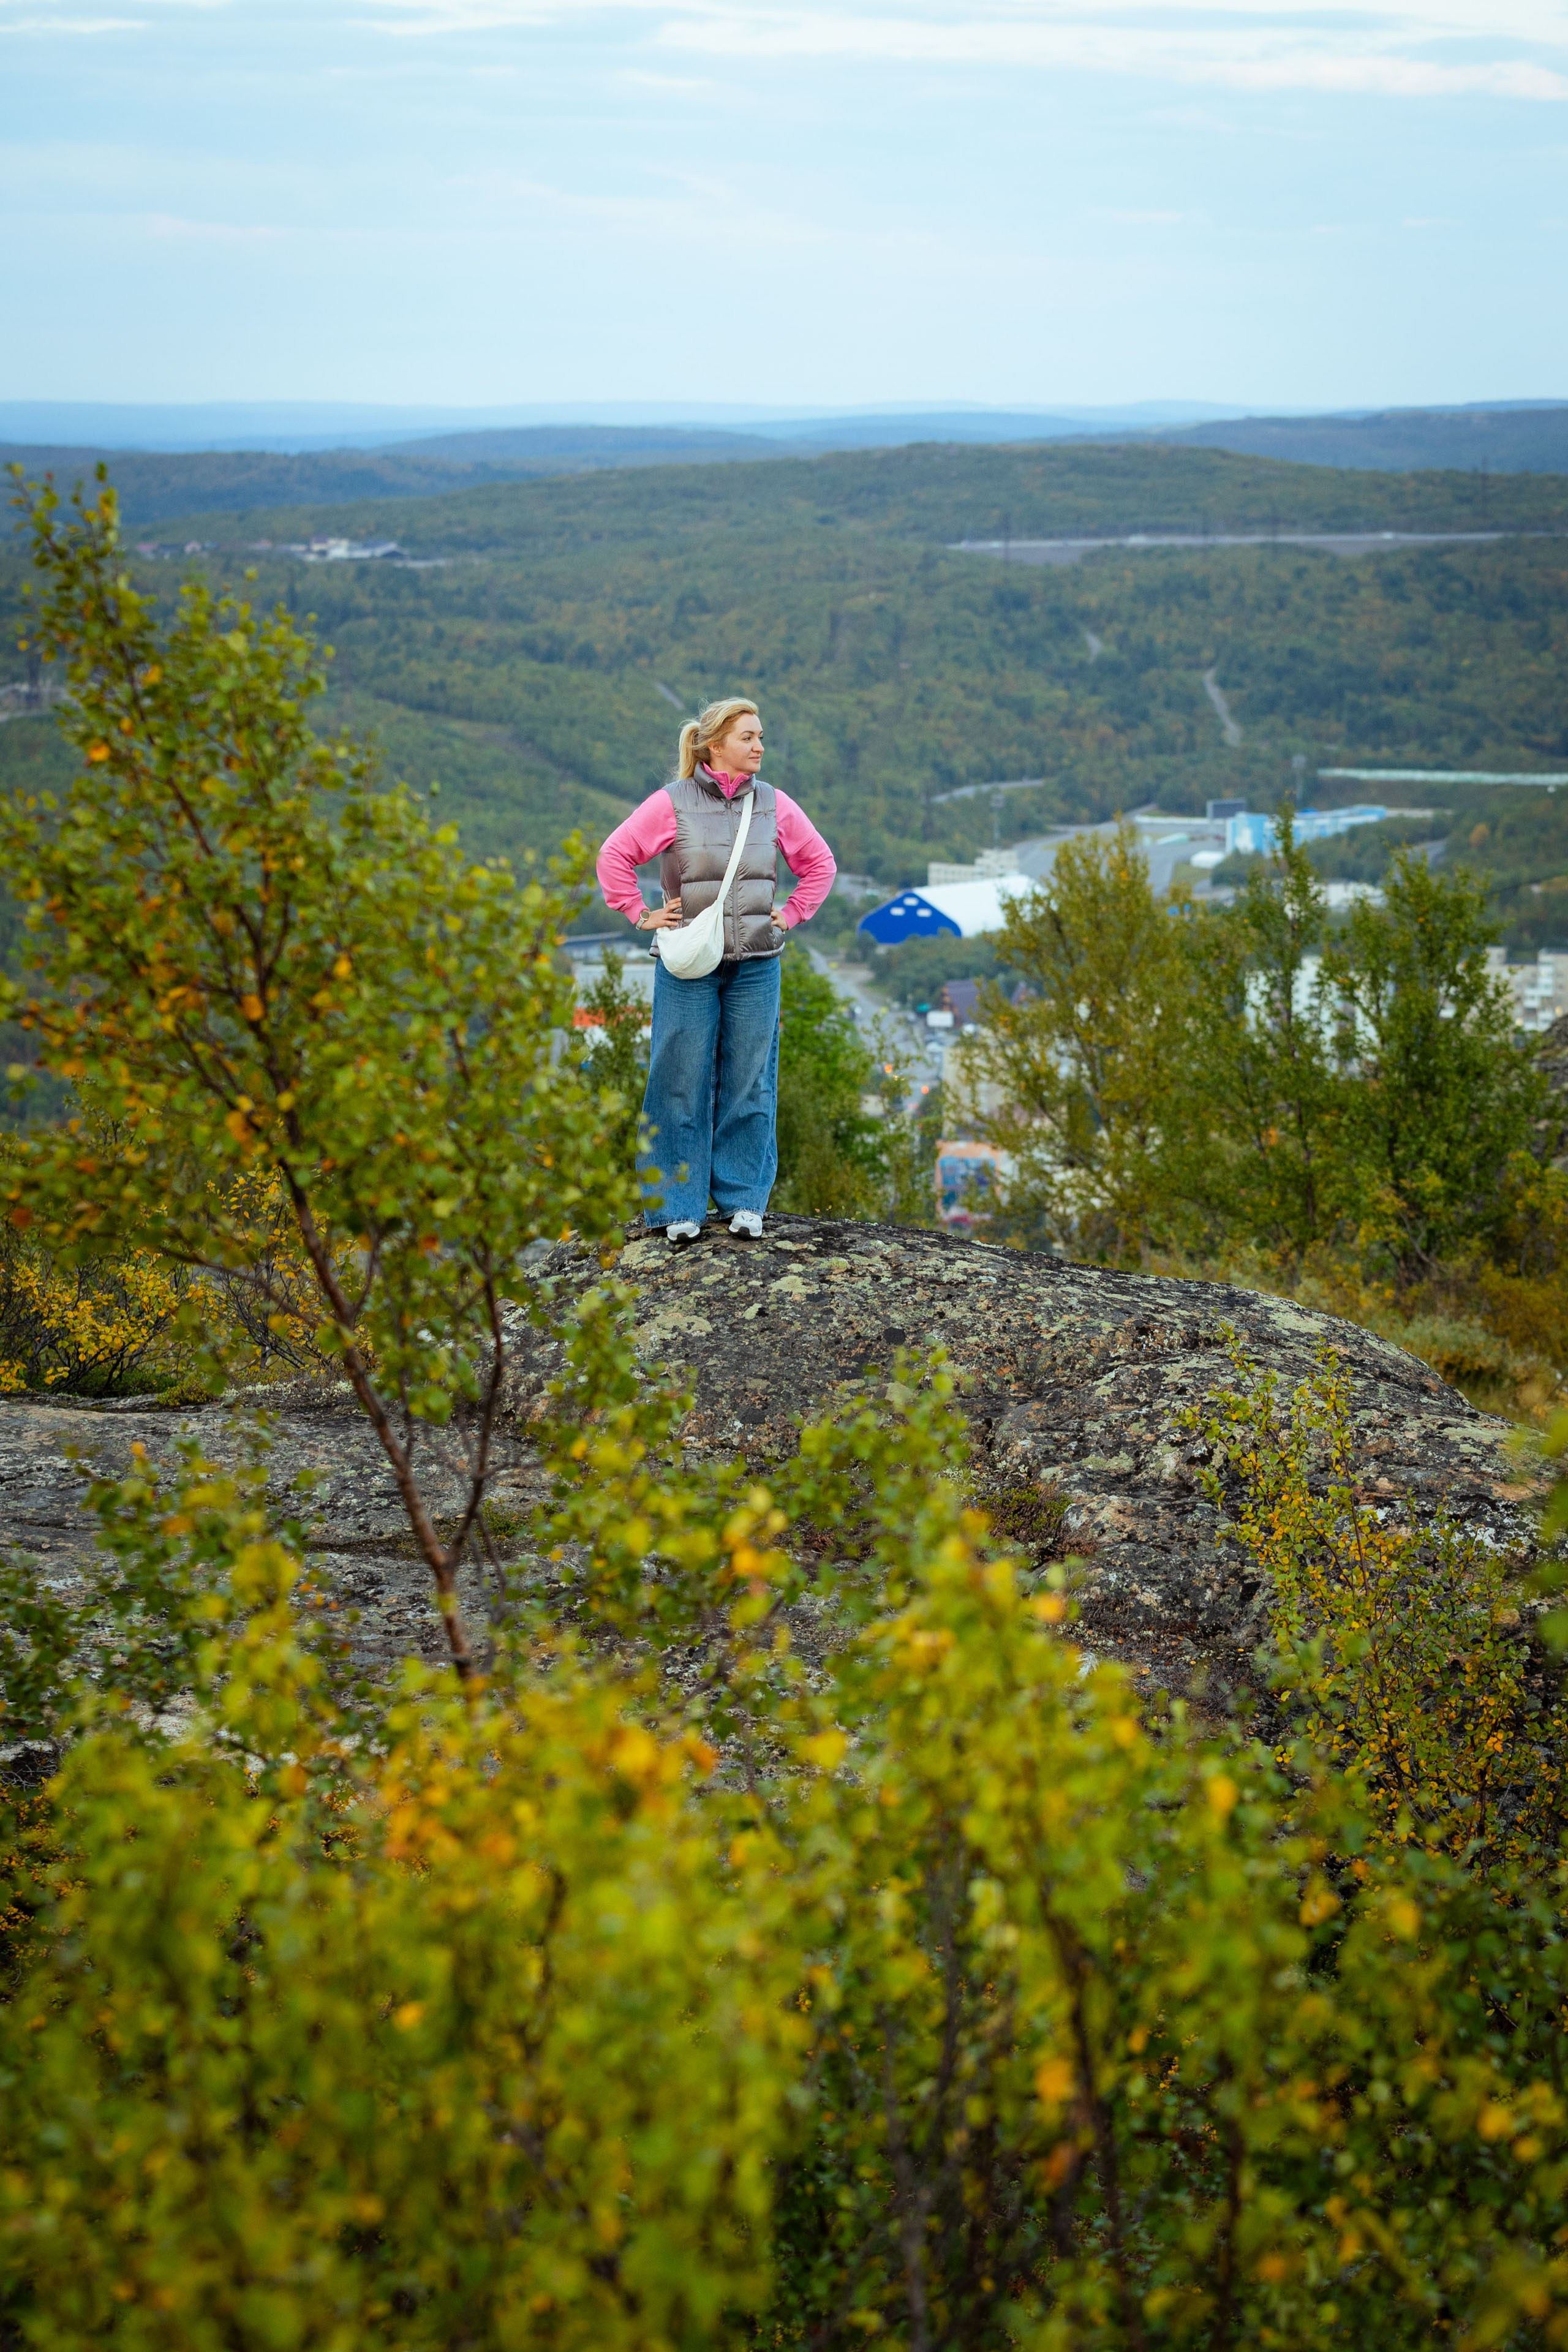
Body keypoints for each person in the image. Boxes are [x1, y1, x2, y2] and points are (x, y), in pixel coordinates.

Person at [595, 696, 837, 1245]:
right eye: (749, 737)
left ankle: (743, 1202)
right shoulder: (671, 803)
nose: (760, 747)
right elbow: (614, 855)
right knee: (678, 1082)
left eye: (760, 737)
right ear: (715, 745)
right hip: (688, 965)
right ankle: (676, 1207)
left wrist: (793, 912)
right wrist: (639, 912)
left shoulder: (776, 804)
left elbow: (820, 864)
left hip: (757, 964)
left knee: (751, 1082)